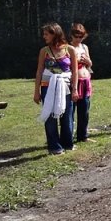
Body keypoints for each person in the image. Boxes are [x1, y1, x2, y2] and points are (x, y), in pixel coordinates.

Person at [34, 23, 79, 155]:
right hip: (47, 87)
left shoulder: (70, 50)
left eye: (46, 34)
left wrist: (75, 89)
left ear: (55, 34)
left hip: (66, 86)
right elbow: (39, 71)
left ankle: (67, 143)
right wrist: (36, 91)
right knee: (50, 116)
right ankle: (54, 147)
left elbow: (75, 72)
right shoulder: (44, 51)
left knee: (67, 115)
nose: (44, 37)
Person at [69, 23, 94, 143]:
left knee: (84, 110)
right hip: (74, 81)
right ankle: (68, 137)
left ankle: (82, 136)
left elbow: (90, 63)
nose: (78, 39)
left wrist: (87, 61)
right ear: (71, 35)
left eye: (81, 37)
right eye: (76, 36)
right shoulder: (68, 47)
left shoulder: (84, 47)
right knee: (71, 110)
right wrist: (76, 60)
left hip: (85, 80)